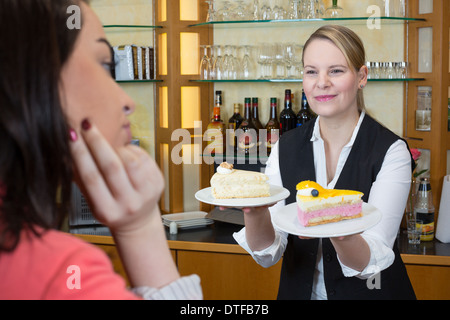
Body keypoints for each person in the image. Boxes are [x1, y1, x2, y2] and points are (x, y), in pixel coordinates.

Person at [0, 0, 202, 299]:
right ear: (35, 77)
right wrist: (141, 228)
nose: (128, 102)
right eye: (106, 65)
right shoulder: (63, 274)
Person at [233, 25, 416, 299]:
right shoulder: (286, 147)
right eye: (311, 71)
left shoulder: (391, 151)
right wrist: (254, 211)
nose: (321, 82)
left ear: (362, 76)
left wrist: (338, 230)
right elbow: (268, 254)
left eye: (336, 70)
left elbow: (369, 263)